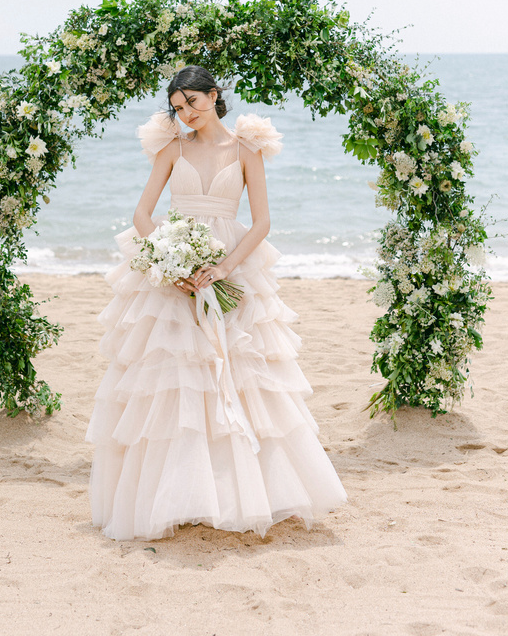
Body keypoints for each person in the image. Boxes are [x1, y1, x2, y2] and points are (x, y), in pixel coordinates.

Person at [85, 65, 347, 540]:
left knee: (242, 372)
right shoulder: (171, 149)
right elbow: (143, 213)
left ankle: (241, 495)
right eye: (178, 106)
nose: (186, 113)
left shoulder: (247, 149)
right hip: (175, 269)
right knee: (175, 380)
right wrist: (168, 262)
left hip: (228, 262)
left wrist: (223, 268)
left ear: (213, 95)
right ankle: (175, 494)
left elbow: (262, 221)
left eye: (193, 102)